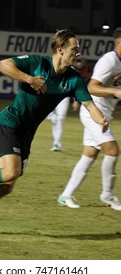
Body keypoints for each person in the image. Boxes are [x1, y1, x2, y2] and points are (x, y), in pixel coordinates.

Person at [0, 29, 108, 235]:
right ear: (60, 49)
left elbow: (90, 106)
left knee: (6, 186)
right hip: (10, 123)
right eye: (75, 49)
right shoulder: (38, 63)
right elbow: (1, 65)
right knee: (10, 171)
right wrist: (30, 79)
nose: (79, 54)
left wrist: (101, 119)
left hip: (27, 134)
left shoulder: (74, 80)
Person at [58, 26, 121, 210]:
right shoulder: (109, 60)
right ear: (118, 43)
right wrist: (115, 91)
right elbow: (92, 87)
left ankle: (65, 195)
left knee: (90, 155)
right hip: (94, 111)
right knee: (112, 150)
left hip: (105, 111)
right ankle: (107, 195)